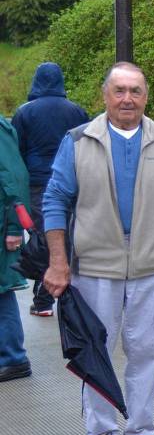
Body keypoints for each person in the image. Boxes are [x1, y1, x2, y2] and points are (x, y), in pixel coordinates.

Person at [42, 62, 154, 435]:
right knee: (98, 351)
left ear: (146, 96)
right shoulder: (78, 140)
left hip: (151, 266)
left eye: (136, 91)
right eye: (120, 90)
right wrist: (58, 262)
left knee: (146, 350)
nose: (128, 99)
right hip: (93, 266)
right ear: (105, 95)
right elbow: (55, 200)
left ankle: (140, 433)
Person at [11, 62, 88, 317]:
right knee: (64, 236)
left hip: (37, 183)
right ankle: (60, 295)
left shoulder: (24, 112)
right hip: (70, 182)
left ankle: (44, 299)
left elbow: (17, 151)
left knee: (45, 238)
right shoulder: (76, 111)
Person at [0, 114, 31, 382]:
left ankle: (13, 359)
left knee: (1, 290)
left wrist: (13, 228)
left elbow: (14, 177)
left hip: (2, 223)